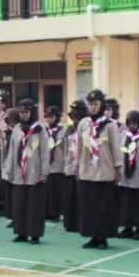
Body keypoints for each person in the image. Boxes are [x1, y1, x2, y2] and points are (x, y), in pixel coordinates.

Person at [77, 89, 123, 249]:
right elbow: (79, 146)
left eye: (96, 104)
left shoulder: (110, 124)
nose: (93, 107)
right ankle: (92, 236)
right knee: (89, 206)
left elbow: (115, 148)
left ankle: (103, 237)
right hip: (87, 170)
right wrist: (78, 166)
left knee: (103, 207)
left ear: (102, 104)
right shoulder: (84, 123)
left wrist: (118, 168)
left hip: (104, 171)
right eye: (90, 104)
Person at [4, 99, 49, 244]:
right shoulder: (17, 129)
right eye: (21, 112)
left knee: (35, 205)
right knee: (19, 204)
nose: (23, 115)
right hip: (19, 173)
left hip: (34, 172)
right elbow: (11, 151)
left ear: (32, 112)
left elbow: (44, 152)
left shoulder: (39, 129)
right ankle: (21, 232)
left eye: (26, 112)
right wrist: (9, 171)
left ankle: (34, 234)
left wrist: (44, 172)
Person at [117, 111, 139, 241]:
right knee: (126, 203)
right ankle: (127, 228)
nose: (131, 126)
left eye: (134, 123)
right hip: (125, 176)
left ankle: (138, 229)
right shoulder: (124, 135)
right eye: (129, 123)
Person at [62, 100, 88, 234]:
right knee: (69, 196)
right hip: (70, 166)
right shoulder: (69, 129)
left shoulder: (87, 127)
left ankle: (80, 223)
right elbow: (65, 148)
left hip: (82, 167)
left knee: (80, 197)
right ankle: (70, 223)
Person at [43, 106, 65, 222]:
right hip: (47, 164)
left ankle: (56, 212)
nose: (48, 119)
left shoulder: (62, 130)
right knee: (47, 189)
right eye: (47, 117)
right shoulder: (44, 131)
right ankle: (47, 211)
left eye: (51, 117)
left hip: (58, 163)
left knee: (57, 189)